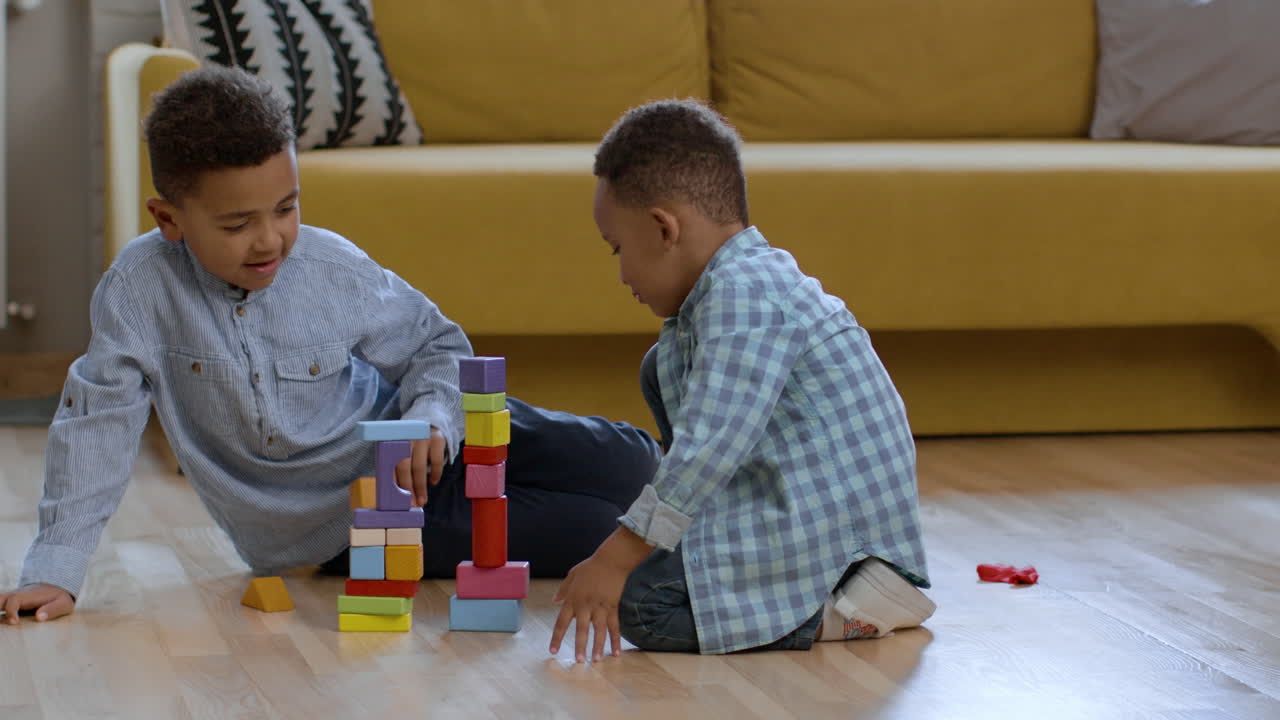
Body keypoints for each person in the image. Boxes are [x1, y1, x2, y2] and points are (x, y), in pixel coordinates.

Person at [0, 65, 660, 625]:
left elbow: (439, 347)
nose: (269, 241)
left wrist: (432, 418)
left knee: (631, 461)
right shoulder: (138, 293)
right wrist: (57, 569)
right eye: (238, 223)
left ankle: (719, 496)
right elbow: (96, 427)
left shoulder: (328, 266)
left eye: (286, 208)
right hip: (349, 527)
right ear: (168, 218)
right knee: (603, 529)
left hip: (435, 434)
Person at [549, 99, 934, 661]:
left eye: (618, 250)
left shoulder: (745, 295)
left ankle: (848, 610)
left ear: (663, 229)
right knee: (662, 364)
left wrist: (616, 558)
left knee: (640, 603)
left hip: (849, 547)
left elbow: (709, 446)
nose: (622, 274)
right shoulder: (728, 288)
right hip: (800, 503)